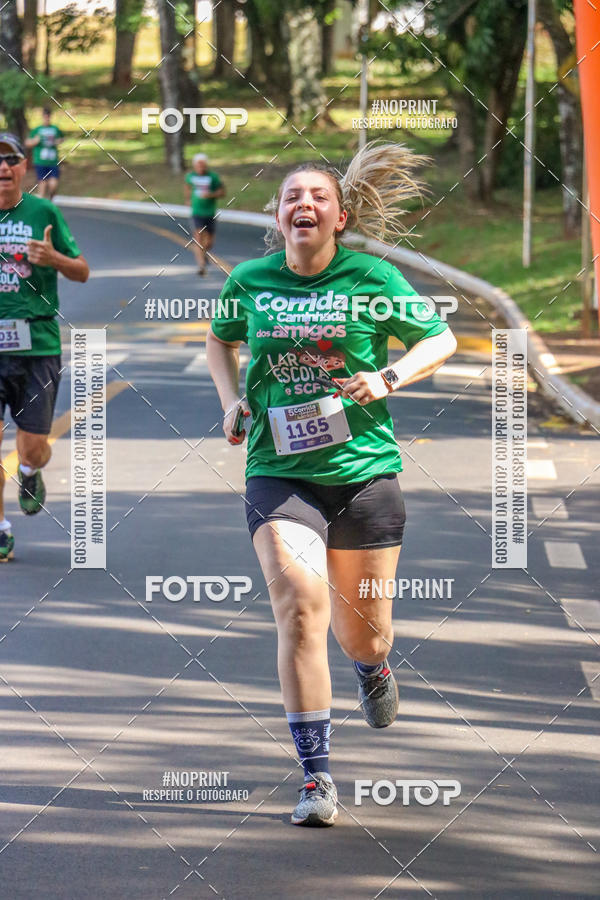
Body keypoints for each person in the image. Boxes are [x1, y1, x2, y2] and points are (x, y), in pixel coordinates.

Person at [206, 142, 457, 827]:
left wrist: (388, 377)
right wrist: (230, 401)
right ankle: (316, 776)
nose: (304, 205)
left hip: (364, 475)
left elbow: (440, 340)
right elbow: (219, 339)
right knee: (299, 604)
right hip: (278, 470)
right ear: (279, 217)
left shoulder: (373, 277)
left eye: (317, 197)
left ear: (340, 216)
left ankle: (373, 670)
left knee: (365, 636)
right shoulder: (251, 280)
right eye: (292, 198)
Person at [0, 133, 90, 562]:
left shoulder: (44, 212)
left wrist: (53, 259)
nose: (2, 168)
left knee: (31, 444)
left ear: (24, 166)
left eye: (10, 160)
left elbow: (82, 272)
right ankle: (1, 528)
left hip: (38, 344)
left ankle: (31, 469)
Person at [184, 153, 225, 276]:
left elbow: (222, 192)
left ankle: (204, 252)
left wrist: (211, 195)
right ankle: (201, 265)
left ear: (206, 165)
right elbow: (187, 188)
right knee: (198, 237)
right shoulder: (190, 177)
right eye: (198, 165)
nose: (200, 167)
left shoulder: (213, 177)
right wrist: (187, 199)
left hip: (210, 212)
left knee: (209, 242)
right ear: (194, 166)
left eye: (202, 165)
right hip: (197, 212)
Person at [25, 108, 64, 201]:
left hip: (53, 161)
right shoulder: (37, 130)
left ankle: (50, 200)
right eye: (45, 116)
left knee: (53, 184)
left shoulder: (55, 129)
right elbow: (27, 143)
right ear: (42, 117)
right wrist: (35, 141)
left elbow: (62, 138)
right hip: (40, 161)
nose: (47, 118)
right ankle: (42, 203)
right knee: (42, 184)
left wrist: (57, 141)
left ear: (50, 117)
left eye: (48, 116)